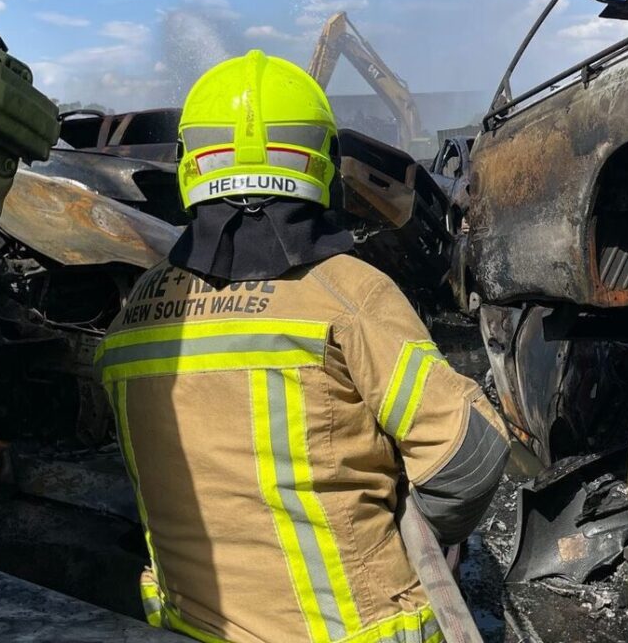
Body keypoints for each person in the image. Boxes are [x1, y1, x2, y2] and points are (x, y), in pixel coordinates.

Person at [96, 50, 509, 643]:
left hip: (187, 626)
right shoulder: (347, 291)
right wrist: (420, 531)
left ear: (190, 163)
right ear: (324, 161)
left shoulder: (139, 306)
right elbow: (471, 457)